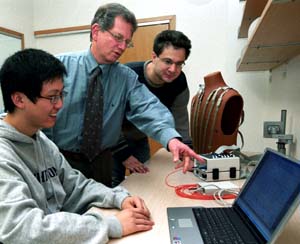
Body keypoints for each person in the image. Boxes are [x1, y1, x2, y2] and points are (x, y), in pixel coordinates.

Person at [0, 48, 154, 244]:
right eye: (52, 97)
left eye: (61, 95)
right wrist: (110, 225)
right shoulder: (4, 156)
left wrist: (118, 198)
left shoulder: (41, 140)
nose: (59, 104)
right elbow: (21, 228)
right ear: (19, 99)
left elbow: (74, 186)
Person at [43, 3, 204, 187]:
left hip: (100, 163)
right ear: (96, 32)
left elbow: (148, 108)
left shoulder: (126, 78)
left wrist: (172, 139)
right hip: (60, 161)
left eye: (127, 42)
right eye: (117, 37)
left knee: (100, 210)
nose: (122, 47)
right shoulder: (59, 67)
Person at [112, 30, 193, 186]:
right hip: (112, 141)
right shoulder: (128, 76)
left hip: (140, 137)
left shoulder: (179, 82)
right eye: (168, 61)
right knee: (115, 185)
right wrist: (123, 154)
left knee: (145, 181)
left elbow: (181, 119)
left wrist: (186, 152)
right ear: (154, 56)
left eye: (179, 64)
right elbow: (108, 120)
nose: (173, 70)